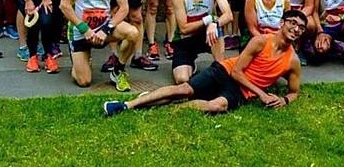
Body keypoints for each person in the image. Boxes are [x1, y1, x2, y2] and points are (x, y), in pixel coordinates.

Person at [103, 9, 305, 116]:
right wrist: (261, 94)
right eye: (292, 23)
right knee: (184, 89)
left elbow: (294, 91)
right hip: (225, 72)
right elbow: (237, 72)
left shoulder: (292, 61)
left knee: (217, 106)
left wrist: (284, 100)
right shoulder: (261, 41)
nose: (296, 29)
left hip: (240, 92)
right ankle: (126, 105)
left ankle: (167, 109)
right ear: (282, 23)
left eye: (301, 28)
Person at [170, 0, 233, 84]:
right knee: (181, 80)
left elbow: (228, 15)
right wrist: (209, 19)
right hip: (185, 40)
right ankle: (191, 65)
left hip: (208, 35)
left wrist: (214, 23)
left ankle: (219, 67)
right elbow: (183, 29)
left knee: (217, 29)